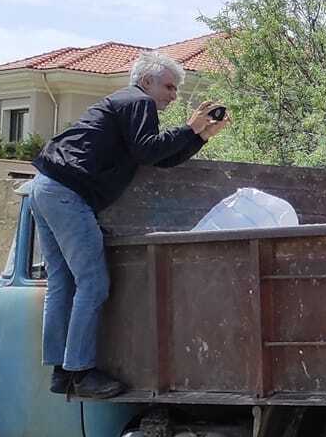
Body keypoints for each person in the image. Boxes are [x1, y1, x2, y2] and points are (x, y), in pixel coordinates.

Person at [26, 51, 229, 398]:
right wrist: (190, 128)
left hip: (45, 188)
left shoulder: (125, 102)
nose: (174, 95)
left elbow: (157, 159)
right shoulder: (139, 101)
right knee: (93, 283)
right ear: (147, 81)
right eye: (169, 87)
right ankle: (80, 372)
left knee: (63, 282)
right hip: (68, 194)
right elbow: (149, 151)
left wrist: (200, 136)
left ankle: (62, 371)